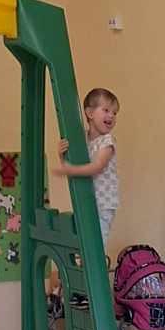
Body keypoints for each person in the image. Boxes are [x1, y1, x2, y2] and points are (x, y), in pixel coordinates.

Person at [54, 87, 120, 246]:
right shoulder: (82, 139)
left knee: (97, 242)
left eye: (115, 112)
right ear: (90, 113)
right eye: (106, 110)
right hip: (87, 200)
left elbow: (97, 166)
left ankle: (97, 262)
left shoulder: (107, 141)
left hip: (103, 203)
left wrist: (70, 170)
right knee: (84, 241)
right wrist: (62, 156)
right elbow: (72, 166)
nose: (111, 115)